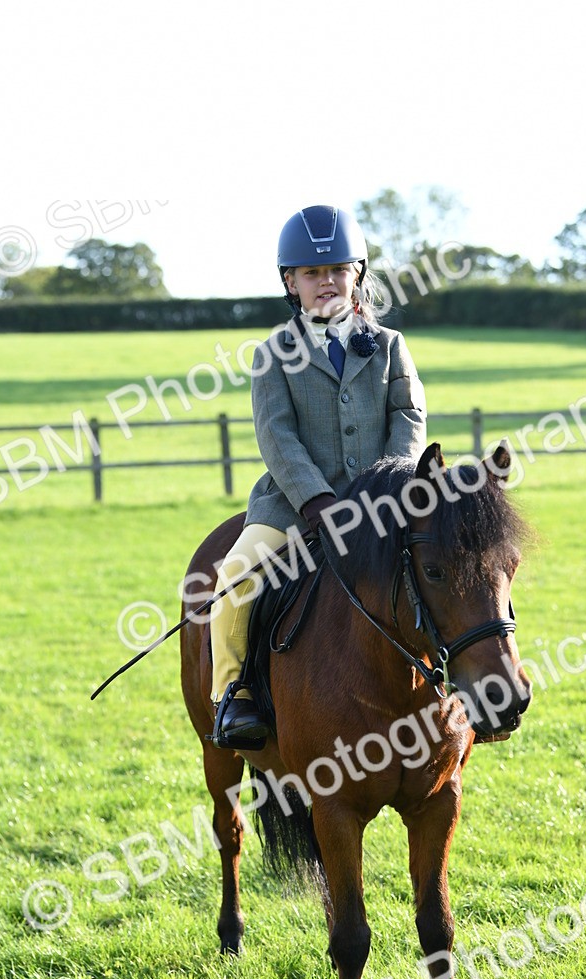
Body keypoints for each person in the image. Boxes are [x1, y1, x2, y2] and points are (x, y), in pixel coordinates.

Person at [210, 204, 427, 747]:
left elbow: (408, 416)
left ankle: (472, 681)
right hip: (294, 506)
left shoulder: (391, 345)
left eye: (336, 270)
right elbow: (277, 438)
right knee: (234, 578)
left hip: (385, 502)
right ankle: (233, 696)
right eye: (311, 273)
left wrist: (392, 484)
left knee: (456, 562)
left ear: (357, 273)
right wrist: (318, 504)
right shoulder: (272, 355)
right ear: (291, 282)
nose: (325, 282)